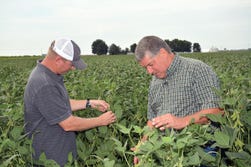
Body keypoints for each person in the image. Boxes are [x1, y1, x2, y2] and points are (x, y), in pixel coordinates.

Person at [24, 38, 116, 166]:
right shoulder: (44, 83)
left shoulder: (47, 75)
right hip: (50, 160)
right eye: (71, 64)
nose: (73, 68)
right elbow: (68, 124)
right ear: (58, 60)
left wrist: (89, 103)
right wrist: (100, 121)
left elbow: (59, 104)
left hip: (59, 156)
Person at [133, 35, 223, 164]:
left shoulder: (197, 69)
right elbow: (152, 120)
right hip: (166, 152)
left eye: (150, 65)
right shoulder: (155, 81)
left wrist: (182, 121)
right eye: (145, 68)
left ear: (163, 53)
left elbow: (217, 111)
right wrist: (143, 143)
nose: (149, 72)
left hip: (198, 150)